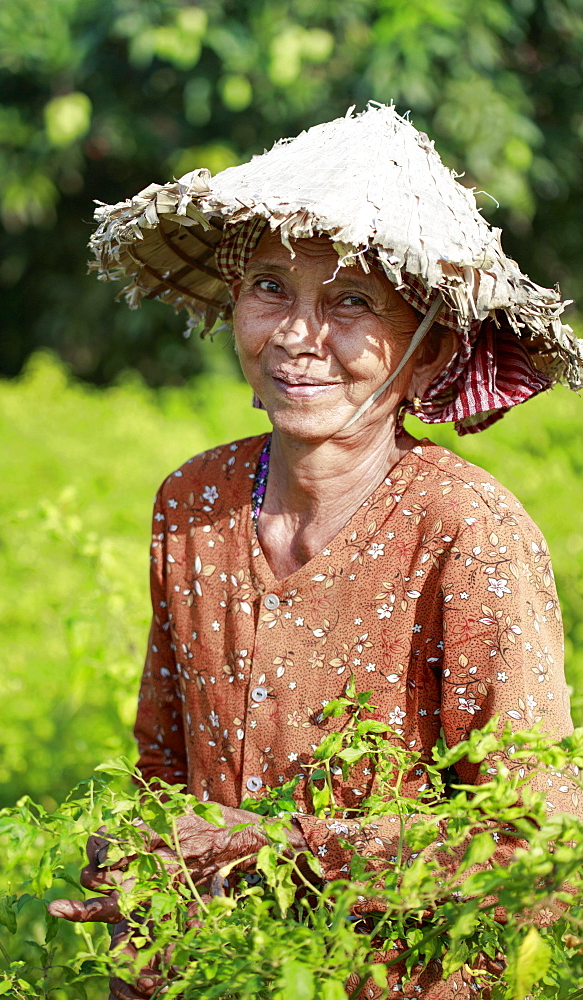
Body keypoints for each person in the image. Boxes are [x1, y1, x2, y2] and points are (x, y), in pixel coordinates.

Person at [48, 104, 583, 998]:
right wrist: (135, 859)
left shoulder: (467, 531)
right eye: (268, 288)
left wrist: (276, 848)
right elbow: (165, 769)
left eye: (350, 301)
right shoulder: (194, 502)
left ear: (427, 351)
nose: (297, 336)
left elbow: (541, 854)